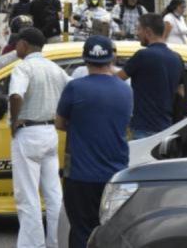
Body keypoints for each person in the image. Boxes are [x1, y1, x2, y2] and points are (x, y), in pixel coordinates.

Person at [56, 36, 133, 248]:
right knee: (110, 231)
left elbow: (60, 122)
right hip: (115, 174)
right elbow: (125, 123)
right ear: (112, 58)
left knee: (81, 230)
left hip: (80, 175)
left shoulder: (75, 88)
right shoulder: (125, 90)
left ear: (85, 59)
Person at [8, 27, 69, 248]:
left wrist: (14, 120)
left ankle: (32, 245)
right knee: (54, 195)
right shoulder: (55, 69)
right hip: (50, 133)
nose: (16, 47)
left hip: (28, 133)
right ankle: (56, 243)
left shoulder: (23, 68)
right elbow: (71, 91)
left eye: (17, 43)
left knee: (28, 197)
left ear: (24, 44)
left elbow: (16, 94)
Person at [118, 13, 185, 139]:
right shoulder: (177, 58)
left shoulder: (142, 56)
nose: (137, 34)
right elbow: (181, 94)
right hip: (167, 129)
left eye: (139, 29)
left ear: (148, 31)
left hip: (144, 130)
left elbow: (115, 81)